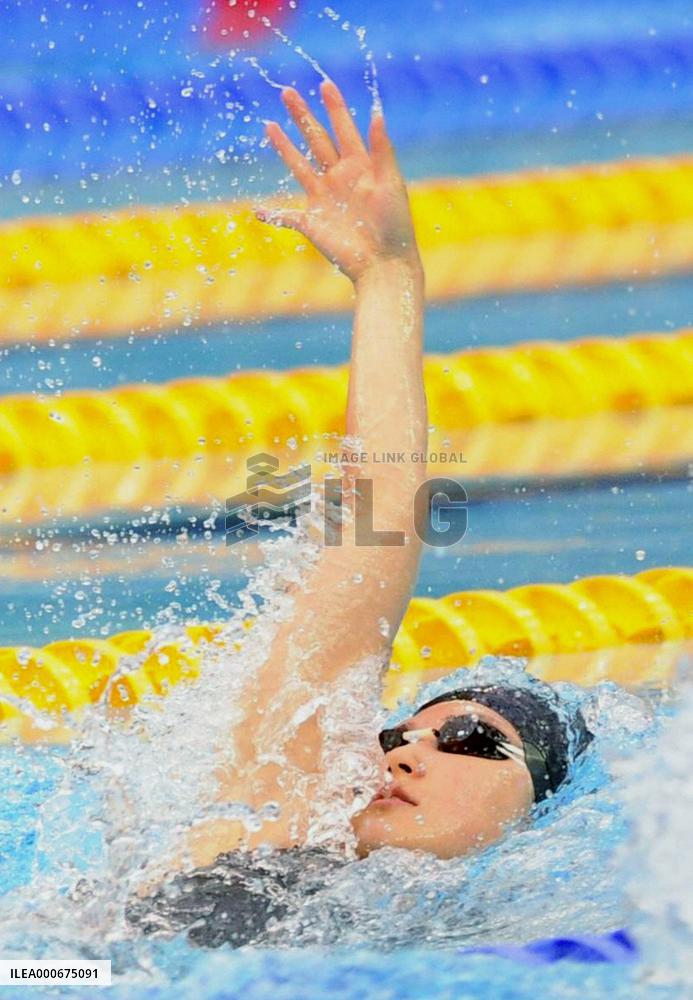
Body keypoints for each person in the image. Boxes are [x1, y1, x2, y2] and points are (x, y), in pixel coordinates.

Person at [128, 78, 592, 946]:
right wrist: (387, 277)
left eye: (468, 739)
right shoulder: (282, 808)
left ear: (538, 809)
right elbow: (374, 529)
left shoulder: (538, 923)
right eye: (396, 734)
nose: (406, 753)